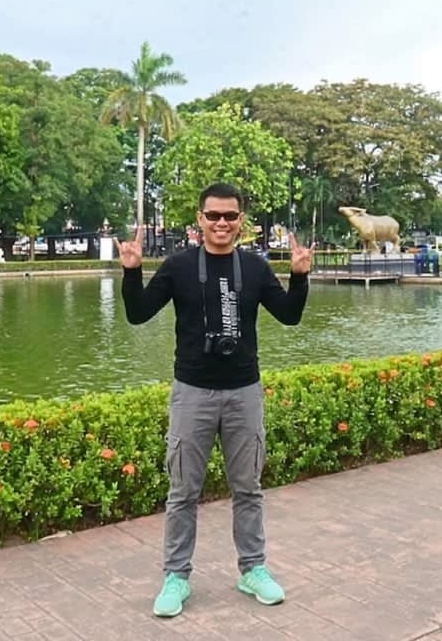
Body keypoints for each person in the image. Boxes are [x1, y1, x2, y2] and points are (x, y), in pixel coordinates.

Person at [115, 182, 314, 618]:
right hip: (192, 393)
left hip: (244, 392)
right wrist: (131, 271)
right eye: (213, 216)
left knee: (248, 489)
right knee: (183, 491)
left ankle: (253, 569)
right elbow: (138, 313)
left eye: (230, 216)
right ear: (199, 219)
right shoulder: (180, 265)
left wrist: (300, 277)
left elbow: (290, 316)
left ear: (241, 221)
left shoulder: (255, 267)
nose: (221, 223)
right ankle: (176, 576)